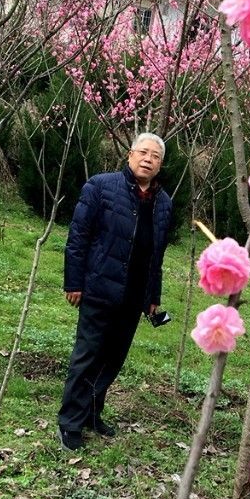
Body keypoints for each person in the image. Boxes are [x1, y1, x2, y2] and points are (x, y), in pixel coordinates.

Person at [58, 133, 173, 450]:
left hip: (134, 296)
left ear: (160, 165)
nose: (148, 159)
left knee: (113, 359)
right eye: (143, 152)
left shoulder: (163, 203)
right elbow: (78, 237)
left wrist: (153, 297)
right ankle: (70, 422)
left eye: (155, 156)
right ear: (130, 154)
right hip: (99, 288)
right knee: (88, 355)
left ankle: (92, 413)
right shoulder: (100, 186)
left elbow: (156, 257)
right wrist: (74, 282)